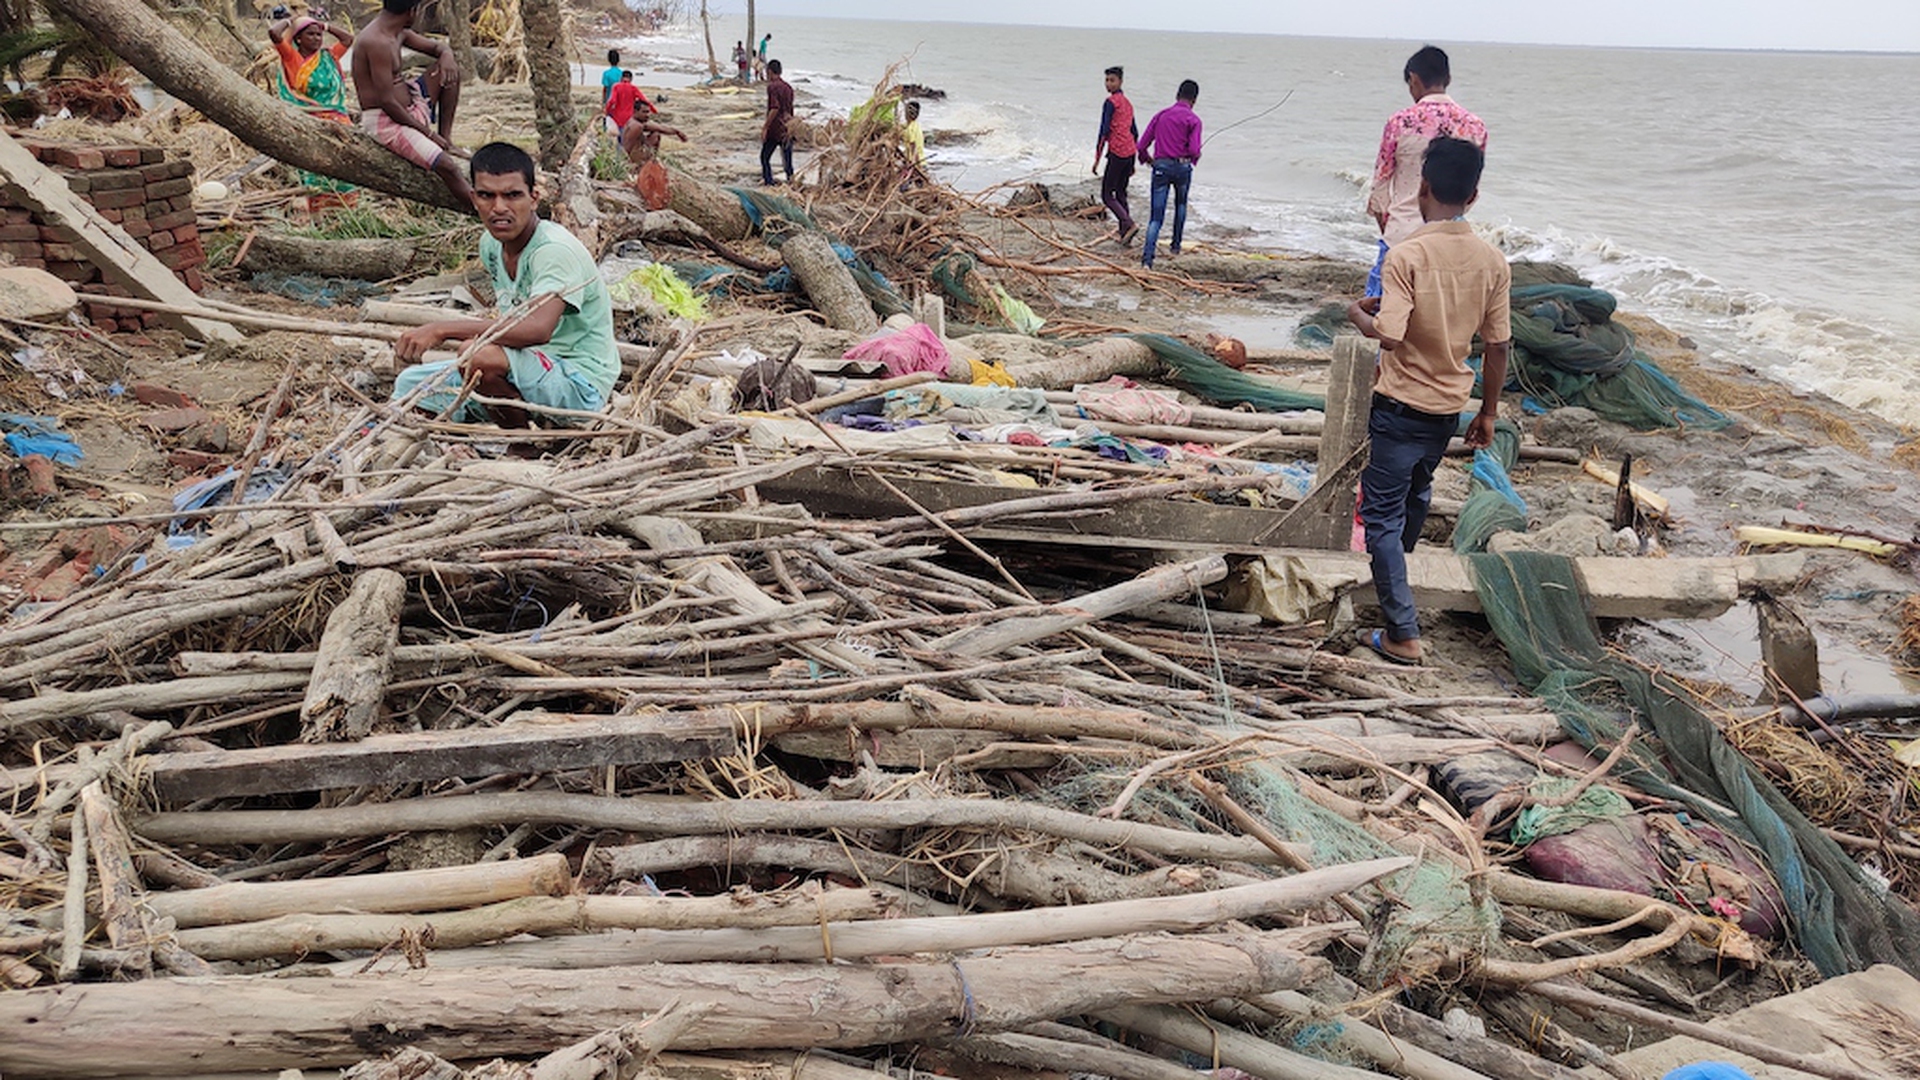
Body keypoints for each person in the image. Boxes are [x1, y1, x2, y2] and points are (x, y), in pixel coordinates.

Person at [1344, 137, 1510, 665]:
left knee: (1381, 517)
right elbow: (1498, 343)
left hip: (1399, 405)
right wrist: (1487, 412)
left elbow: (1389, 336)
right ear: (1475, 194)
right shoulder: (1492, 262)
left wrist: (1356, 314)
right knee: (1417, 494)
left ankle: (1402, 631)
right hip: (1446, 406)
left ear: (1422, 189)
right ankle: (1400, 585)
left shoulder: (1407, 254)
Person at [390, 142, 619, 431]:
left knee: (477, 356)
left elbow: (538, 329)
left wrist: (441, 328)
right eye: (487, 195)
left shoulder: (553, 251)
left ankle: (522, 442)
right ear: (473, 198)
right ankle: (503, 417)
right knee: (411, 384)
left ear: (534, 198)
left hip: (578, 382)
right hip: (525, 368)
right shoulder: (491, 244)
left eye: (512, 195)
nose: (499, 208)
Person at [1364, 45, 1487, 298]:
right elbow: (1469, 189)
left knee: (1384, 317)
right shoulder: (1475, 126)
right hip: (1452, 245)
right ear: (1448, 79)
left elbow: (1380, 190)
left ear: (1414, 79)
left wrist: (1389, 226)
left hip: (1401, 235)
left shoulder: (1399, 122)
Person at [350, 0, 471, 207]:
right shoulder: (376, 41)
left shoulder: (398, 32)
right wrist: (428, 134)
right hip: (386, 122)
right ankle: (486, 213)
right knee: (448, 167)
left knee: (449, 71)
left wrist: (447, 55)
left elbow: (437, 47)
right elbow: (387, 102)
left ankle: (447, 139)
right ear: (412, 11)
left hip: (411, 104)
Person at [1135, 79, 1201, 269]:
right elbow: (1195, 149)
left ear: (1177, 95)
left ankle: (1147, 259)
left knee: (1156, 217)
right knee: (1180, 205)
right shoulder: (1194, 120)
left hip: (1160, 168)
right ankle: (1175, 246)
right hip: (1182, 167)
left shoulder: (1161, 116)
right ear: (1194, 100)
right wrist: (1193, 158)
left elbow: (1141, 145)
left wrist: (1149, 161)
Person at [1091, 65, 1138, 245]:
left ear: (1120, 82)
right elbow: (1135, 133)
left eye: (1112, 80)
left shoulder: (1110, 103)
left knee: (1107, 195)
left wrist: (1096, 159)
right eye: (1106, 80)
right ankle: (1124, 233)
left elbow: (1103, 131)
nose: (1108, 84)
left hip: (1117, 152)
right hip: (1129, 152)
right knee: (1121, 193)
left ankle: (1128, 223)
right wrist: (1133, 161)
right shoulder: (1128, 103)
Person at [761, 58, 795, 185]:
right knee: (787, 160)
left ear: (769, 71)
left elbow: (775, 108)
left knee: (765, 157)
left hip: (775, 128)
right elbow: (790, 109)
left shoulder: (772, 87)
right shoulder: (788, 88)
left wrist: (765, 127)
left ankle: (769, 183)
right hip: (787, 128)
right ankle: (791, 183)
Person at [604, 69, 644, 133]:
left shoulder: (616, 86)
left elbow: (612, 101)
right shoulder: (633, 88)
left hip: (617, 116)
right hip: (629, 116)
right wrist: (653, 109)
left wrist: (607, 110)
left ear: (621, 78)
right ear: (631, 79)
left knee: (619, 134)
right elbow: (643, 99)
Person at [901, 100, 926, 179]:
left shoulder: (910, 129)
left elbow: (913, 148)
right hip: (919, 161)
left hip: (915, 163)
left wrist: (916, 166)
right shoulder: (914, 125)